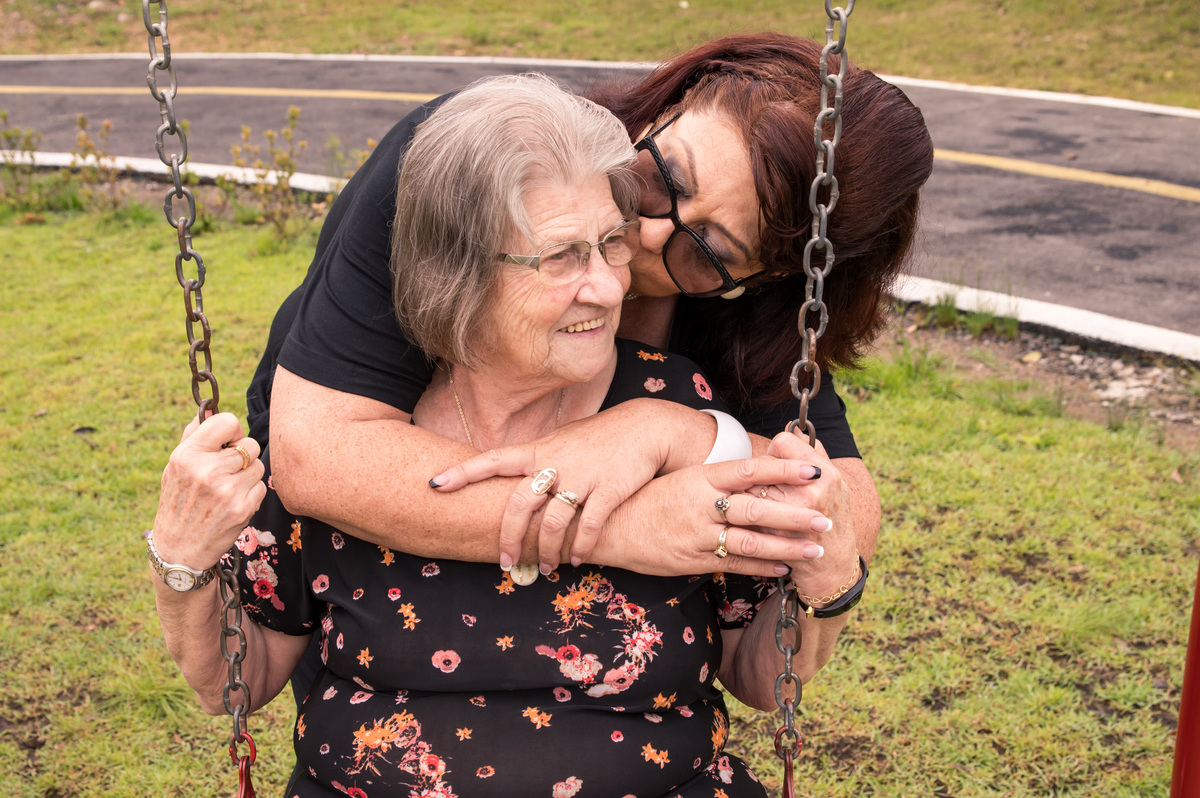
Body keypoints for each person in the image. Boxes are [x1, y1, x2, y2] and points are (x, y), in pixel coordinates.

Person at [152, 74, 865, 796]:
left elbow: (759, 671)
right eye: (561, 257)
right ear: (454, 268)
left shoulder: (679, 408)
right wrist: (181, 562)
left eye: (610, 245)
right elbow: (234, 684)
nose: (612, 287)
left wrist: (826, 587)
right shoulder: (355, 448)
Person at [245, 32, 934, 587]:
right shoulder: (471, 158)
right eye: (663, 178)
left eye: (709, 252)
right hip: (380, 551)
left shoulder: (747, 316)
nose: (651, 235)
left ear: (760, 280)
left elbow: (847, 505)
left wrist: (665, 431)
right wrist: (624, 529)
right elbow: (320, 454)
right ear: (676, 99)